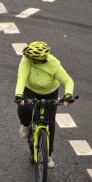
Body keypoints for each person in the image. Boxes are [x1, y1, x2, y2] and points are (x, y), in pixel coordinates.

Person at [14, 41, 74, 169]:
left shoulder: (54, 64)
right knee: (24, 107)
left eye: (31, 57)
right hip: (30, 89)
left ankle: (48, 155)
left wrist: (68, 95)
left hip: (50, 92)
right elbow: (21, 78)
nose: (28, 58)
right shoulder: (26, 60)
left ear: (39, 59)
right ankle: (25, 125)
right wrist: (19, 95)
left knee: (50, 122)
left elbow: (68, 81)